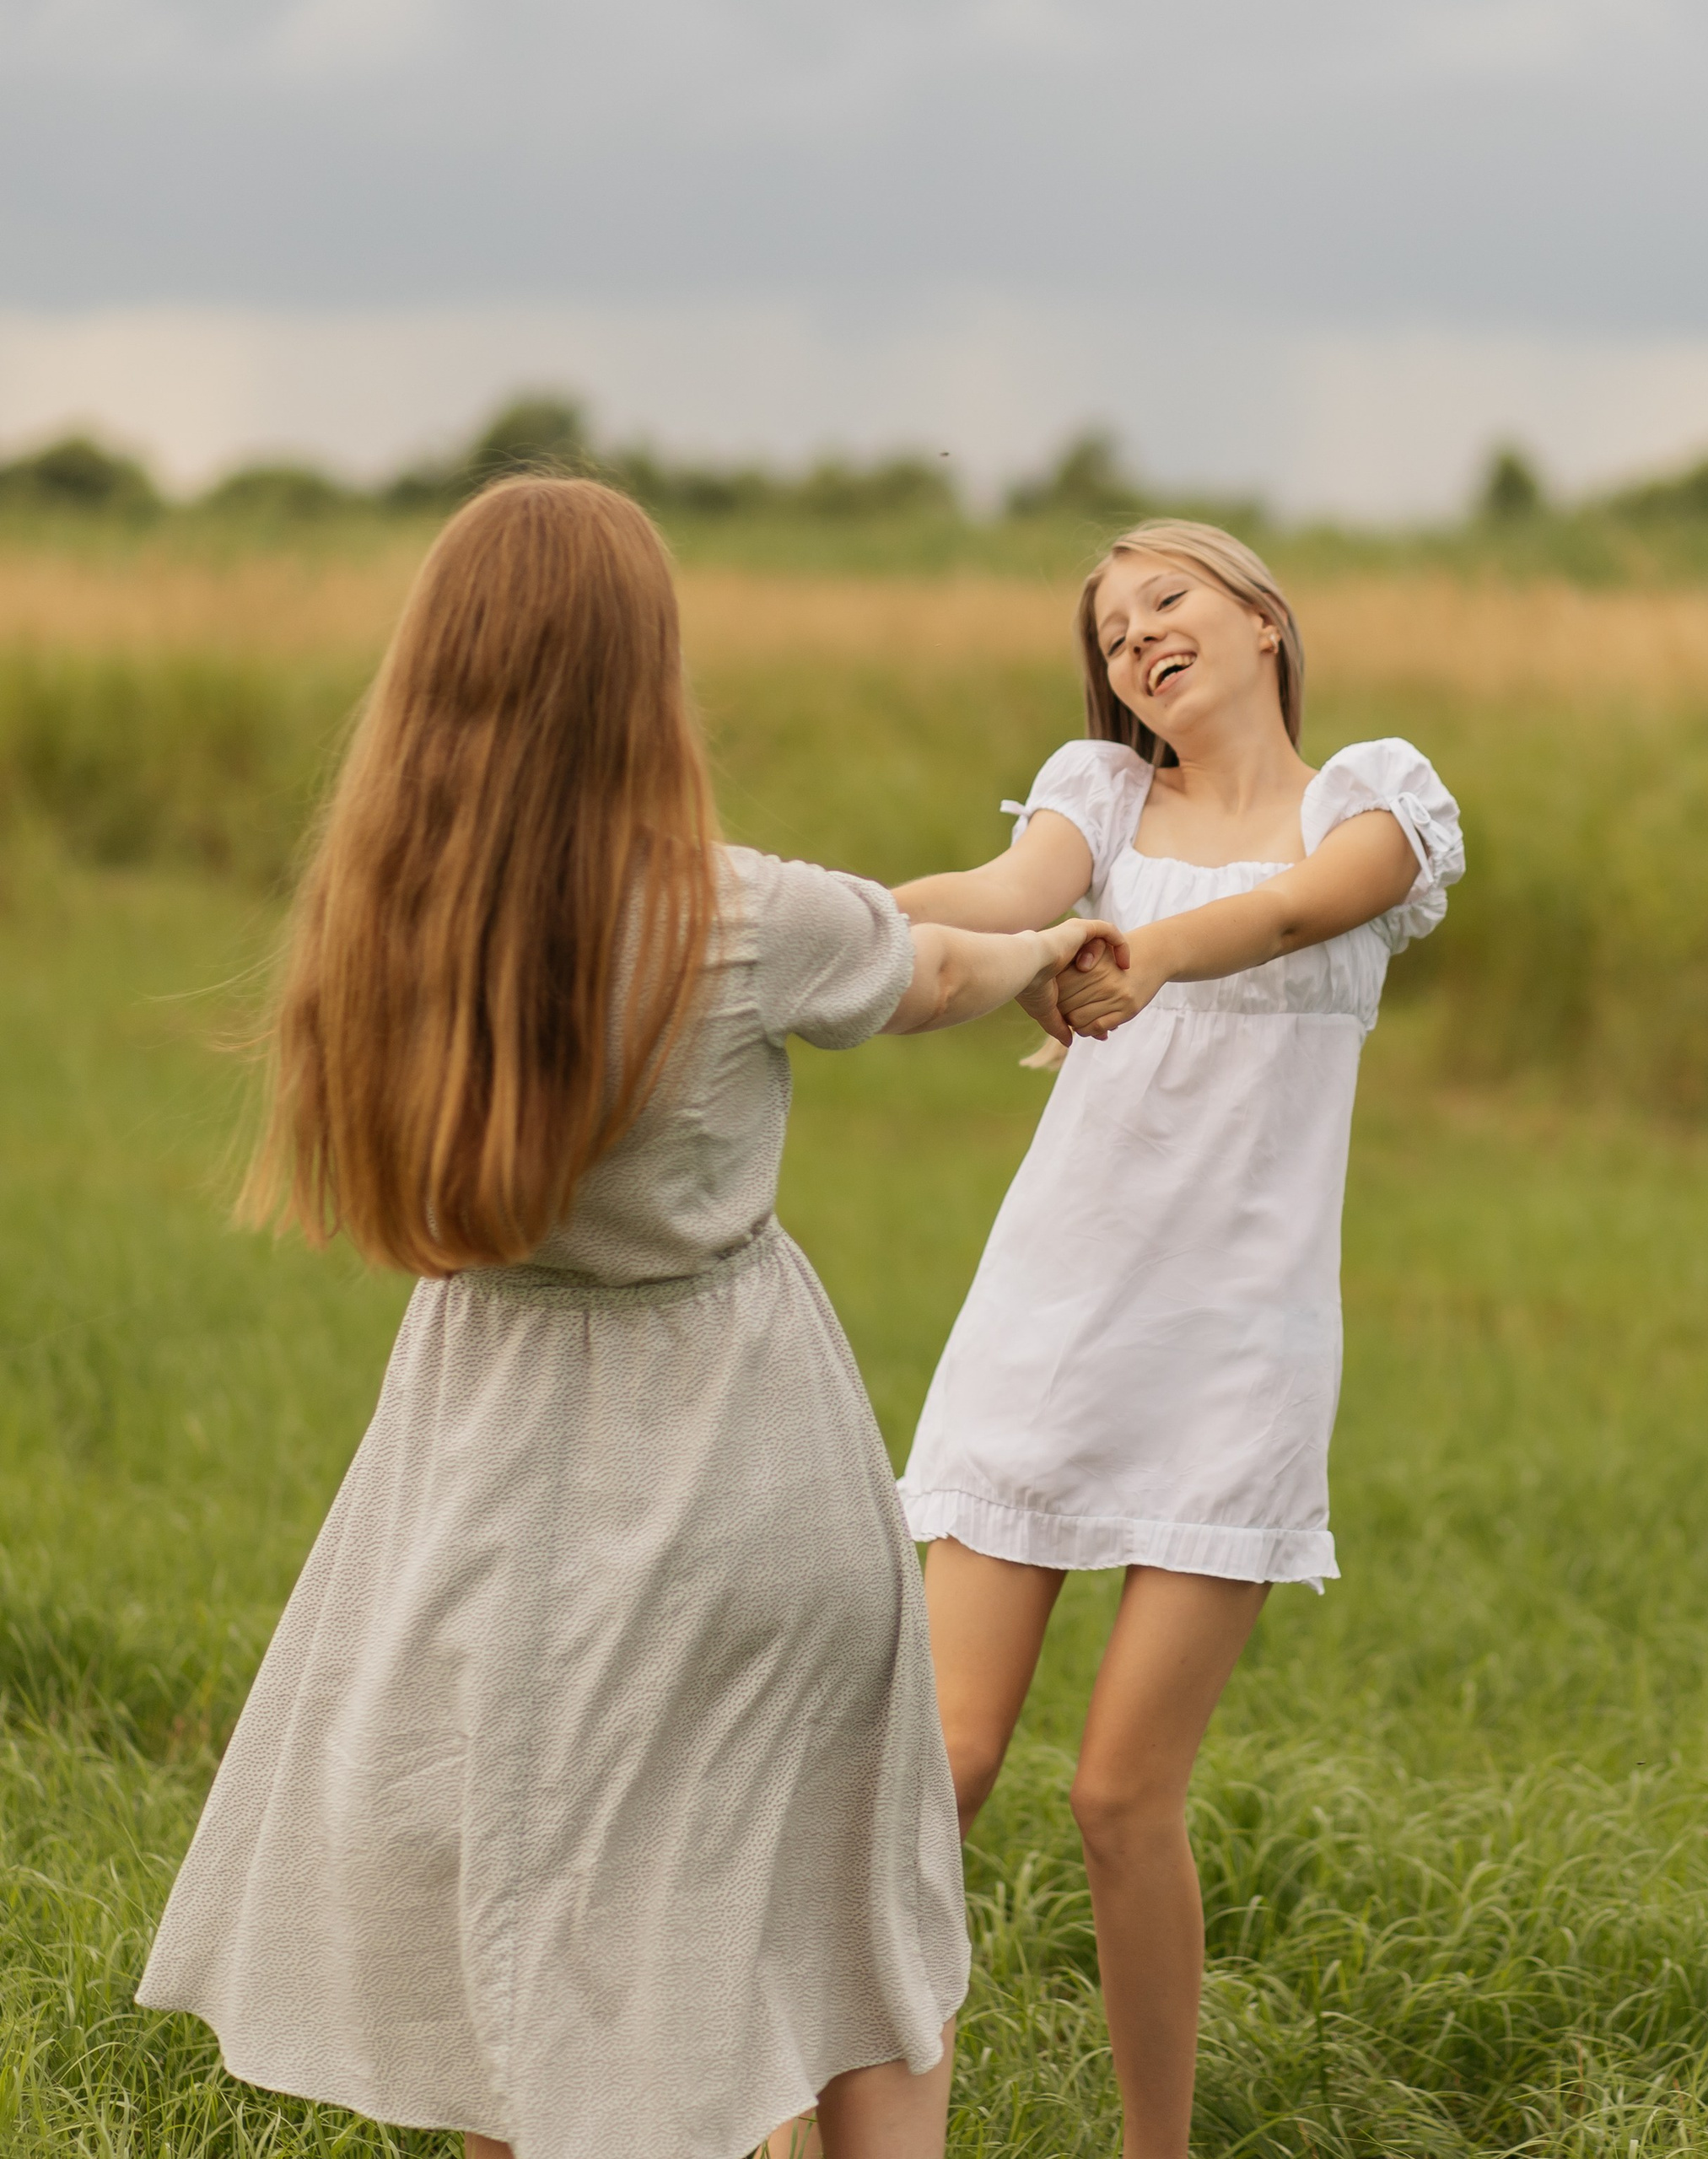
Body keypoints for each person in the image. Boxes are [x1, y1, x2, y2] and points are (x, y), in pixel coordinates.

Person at [136, 476, 1115, 2159]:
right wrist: (1049, 940)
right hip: (734, 1452)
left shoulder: (392, 920)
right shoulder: (737, 911)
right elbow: (929, 968)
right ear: (637, 675)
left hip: (482, 1452)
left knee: (527, 1925)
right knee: (846, 1908)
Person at [892, 520, 1463, 2159]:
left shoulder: (1373, 790)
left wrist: (1137, 955)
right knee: (940, 1760)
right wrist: (817, 911)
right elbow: (1006, 894)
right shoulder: (1095, 794)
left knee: (1117, 1794)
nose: (1137, 634)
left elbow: (1302, 909)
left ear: (1261, 617)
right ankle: (823, 2123)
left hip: (1236, 1352)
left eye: (1167, 599)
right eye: (1111, 624)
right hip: (1048, 1323)